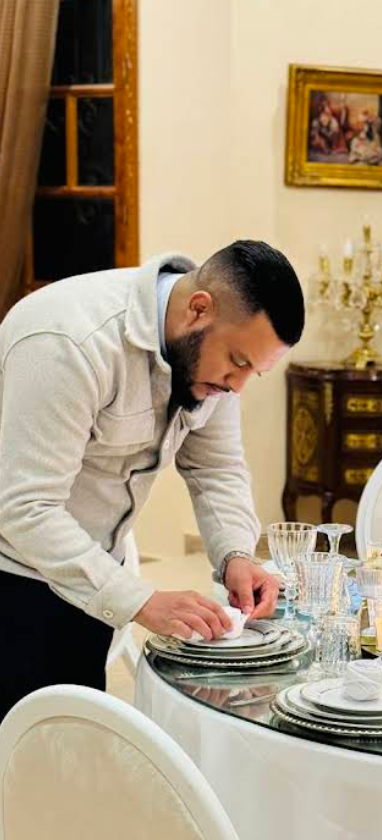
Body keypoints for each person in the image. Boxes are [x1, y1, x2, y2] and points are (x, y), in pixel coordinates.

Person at [0, 240, 304, 720]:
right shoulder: (68, 341)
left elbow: (216, 468)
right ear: (198, 309)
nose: (238, 385)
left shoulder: (213, 363)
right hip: (13, 579)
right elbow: (24, 509)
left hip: (89, 576)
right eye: (238, 361)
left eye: (255, 372)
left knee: (69, 744)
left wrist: (236, 556)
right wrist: (141, 600)